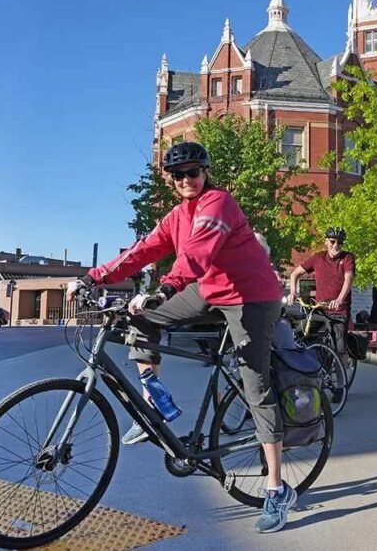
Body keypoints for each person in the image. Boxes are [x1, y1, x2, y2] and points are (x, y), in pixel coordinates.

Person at [65, 142, 295, 534]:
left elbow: (197, 255)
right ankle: (154, 404)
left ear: (205, 173)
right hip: (210, 291)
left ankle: (276, 488)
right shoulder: (176, 216)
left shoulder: (218, 203)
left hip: (252, 297)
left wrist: (166, 288)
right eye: (178, 175)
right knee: (141, 319)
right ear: (171, 180)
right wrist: (92, 277)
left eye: (193, 172)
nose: (186, 179)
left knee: (256, 385)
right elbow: (142, 251)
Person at [287, 227, 355, 372]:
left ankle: (341, 381)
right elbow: (295, 274)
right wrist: (293, 292)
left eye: (339, 242)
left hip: (338, 311)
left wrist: (339, 299)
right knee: (303, 337)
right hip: (320, 310)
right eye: (332, 241)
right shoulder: (318, 258)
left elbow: (348, 279)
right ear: (326, 242)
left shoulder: (347, 258)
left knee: (339, 349)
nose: (336, 245)